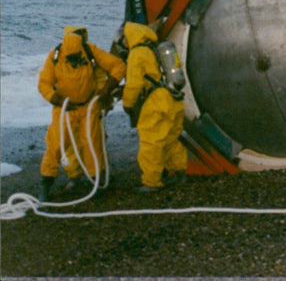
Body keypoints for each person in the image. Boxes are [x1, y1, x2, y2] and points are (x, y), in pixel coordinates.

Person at [37, 26, 126, 201]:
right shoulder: (54, 57)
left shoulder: (90, 51)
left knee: (91, 143)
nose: (75, 62)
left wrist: (107, 90)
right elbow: (44, 84)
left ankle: (96, 181)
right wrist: (57, 99)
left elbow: (118, 66)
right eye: (71, 59)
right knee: (55, 145)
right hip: (64, 109)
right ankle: (45, 184)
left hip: (88, 107)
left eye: (77, 58)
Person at [121, 22, 187, 193]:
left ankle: (151, 182)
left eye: (124, 39)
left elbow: (134, 84)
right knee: (171, 139)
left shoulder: (137, 53)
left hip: (156, 103)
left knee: (151, 142)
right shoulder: (155, 48)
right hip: (174, 98)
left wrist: (127, 104)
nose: (125, 43)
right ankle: (180, 173)